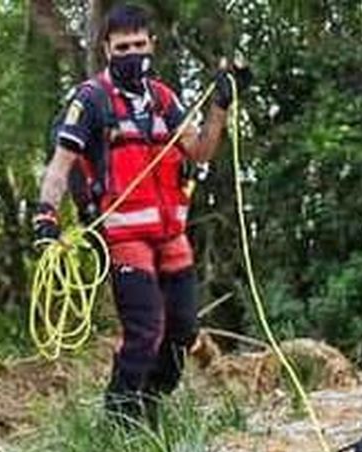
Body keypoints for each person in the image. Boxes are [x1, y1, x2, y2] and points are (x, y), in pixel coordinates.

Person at [34, 3, 250, 423]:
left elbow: (201, 149)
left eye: (138, 43)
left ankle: (150, 407)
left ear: (151, 43)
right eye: (122, 46)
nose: (132, 52)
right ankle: (119, 420)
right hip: (124, 236)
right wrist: (46, 216)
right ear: (107, 49)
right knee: (145, 331)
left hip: (171, 232)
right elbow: (60, 166)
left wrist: (222, 105)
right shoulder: (91, 100)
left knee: (183, 330)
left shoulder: (163, 98)